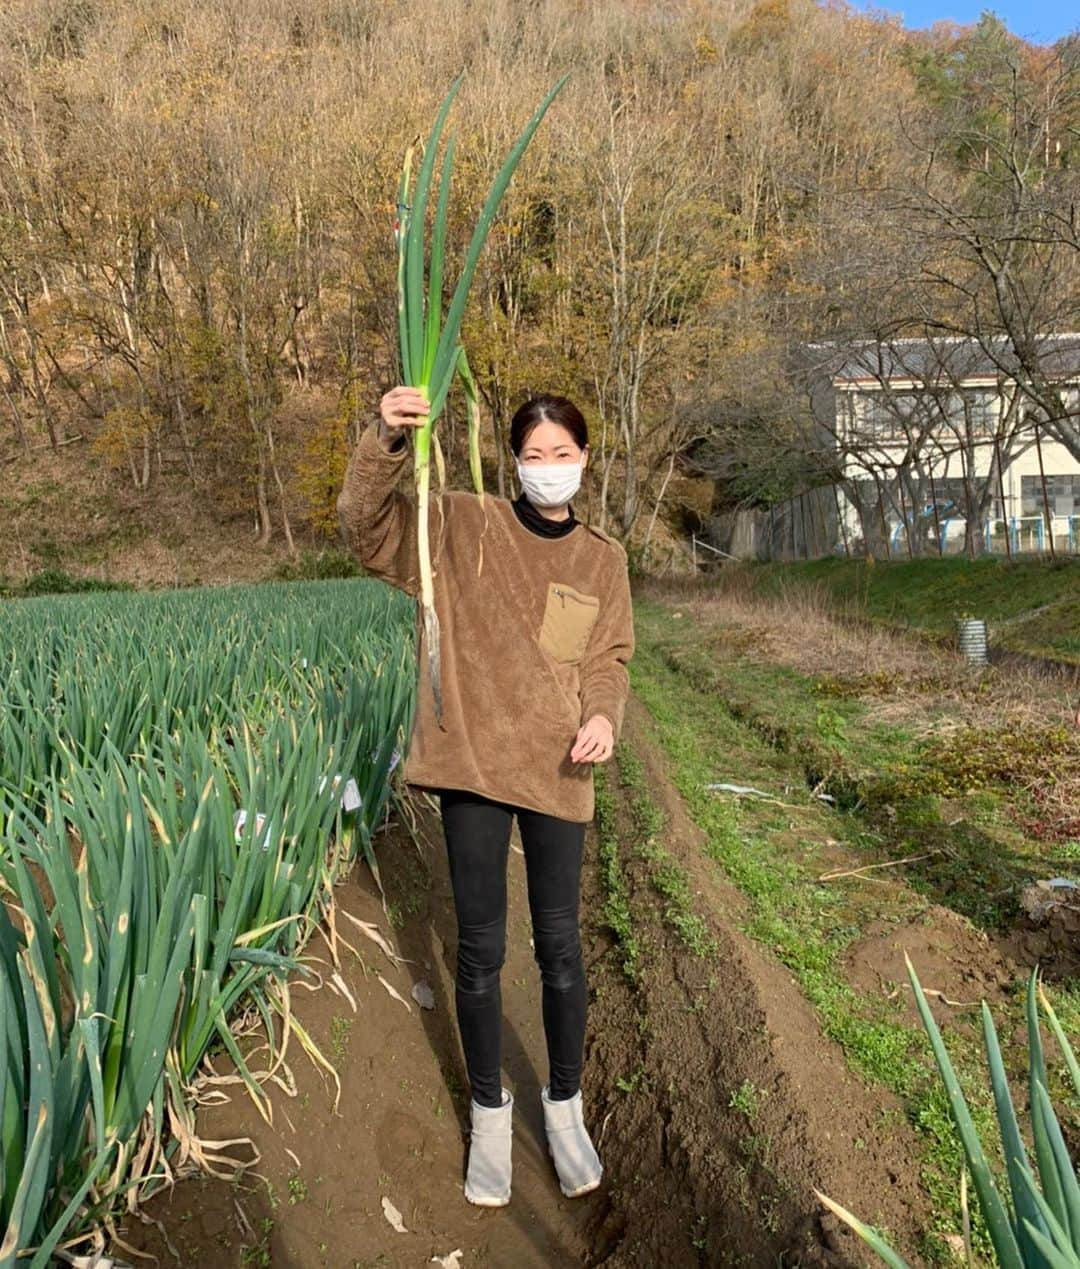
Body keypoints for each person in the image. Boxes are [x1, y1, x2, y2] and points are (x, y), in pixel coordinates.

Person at [337, 384, 634, 1208]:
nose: (549, 470)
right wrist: (386, 440)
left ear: (585, 460)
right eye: (534, 456)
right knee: (478, 951)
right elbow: (366, 532)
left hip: (558, 769)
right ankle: (490, 1112)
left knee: (562, 948)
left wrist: (603, 716)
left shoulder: (600, 560)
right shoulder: (462, 524)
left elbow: (606, 659)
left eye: (563, 455)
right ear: (514, 461)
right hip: (470, 761)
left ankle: (565, 1108)